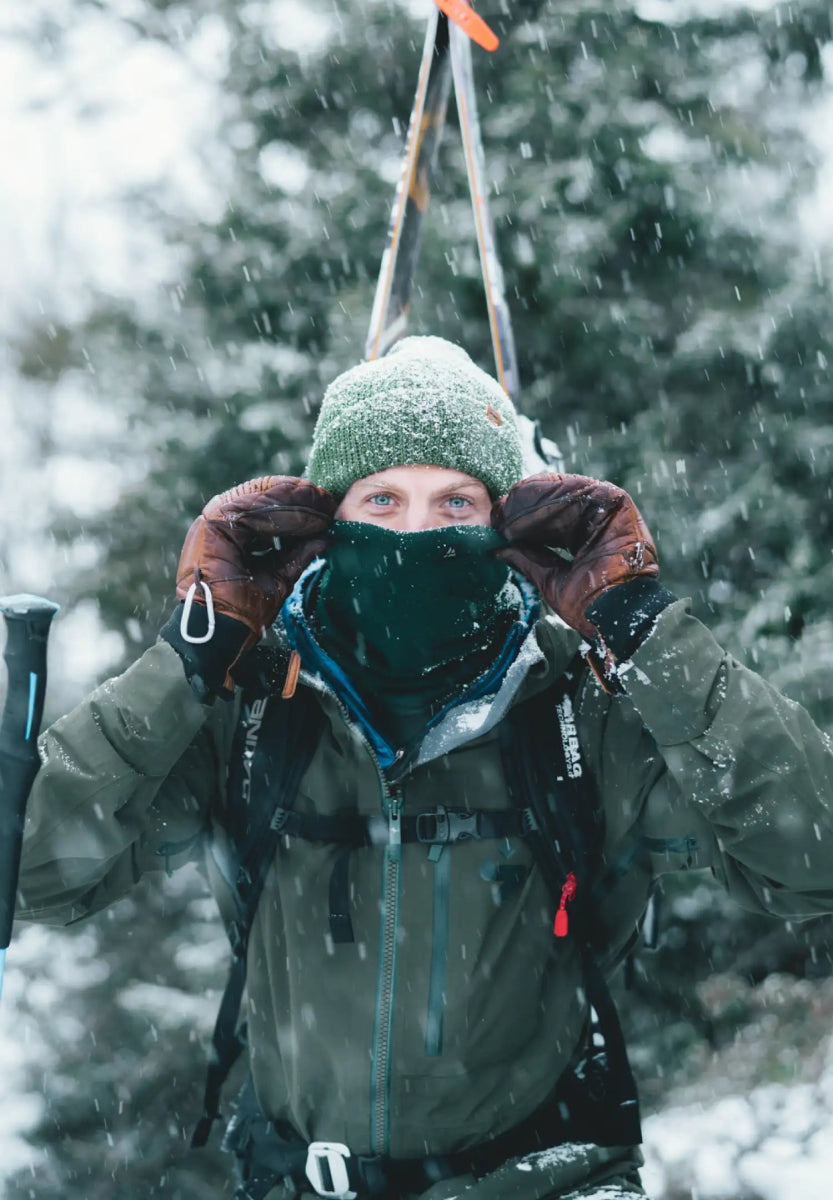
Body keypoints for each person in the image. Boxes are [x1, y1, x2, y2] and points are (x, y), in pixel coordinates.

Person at [16, 335, 833, 1200]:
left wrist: (642, 629)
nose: (414, 531)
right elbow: (30, 870)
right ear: (330, 524)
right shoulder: (253, 707)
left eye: (454, 504)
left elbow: (813, 859)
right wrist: (187, 660)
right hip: (298, 1181)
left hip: (550, 1177)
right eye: (381, 498)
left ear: (501, 527)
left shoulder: (571, 706)